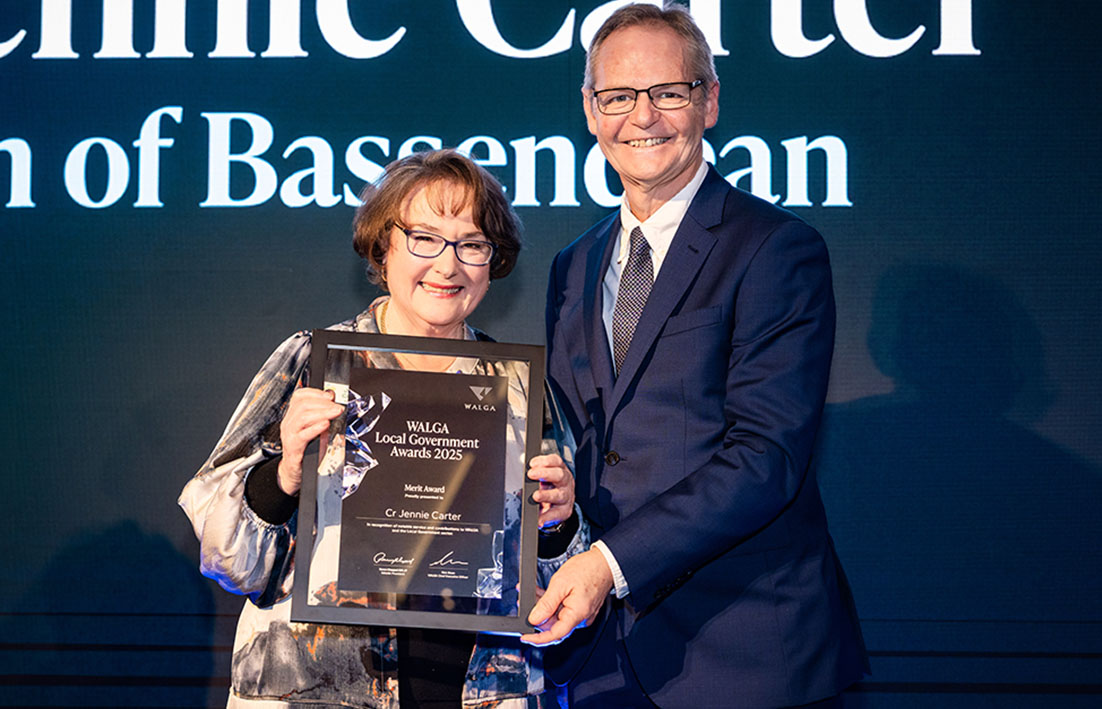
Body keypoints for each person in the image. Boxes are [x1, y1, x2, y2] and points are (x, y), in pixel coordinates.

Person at [522, 4, 868, 707]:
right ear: (590, 111)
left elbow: (765, 457)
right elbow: (587, 444)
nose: (642, 116)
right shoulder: (572, 265)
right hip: (602, 659)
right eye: (618, 96)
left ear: (709, 102)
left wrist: (608, 564)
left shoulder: (775, 249)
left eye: (668, 93)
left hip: (746, 653)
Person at [180, 149, 586, 708]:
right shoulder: (315, 364)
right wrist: (286, 474)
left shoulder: (522, 388)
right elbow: (226, 557)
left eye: (471, 244)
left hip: (482, 689)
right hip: (316, 689)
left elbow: (563, 589)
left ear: (492, 263)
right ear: (384, 248)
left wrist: (559, 524)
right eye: (424, 238)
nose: (448, 266)